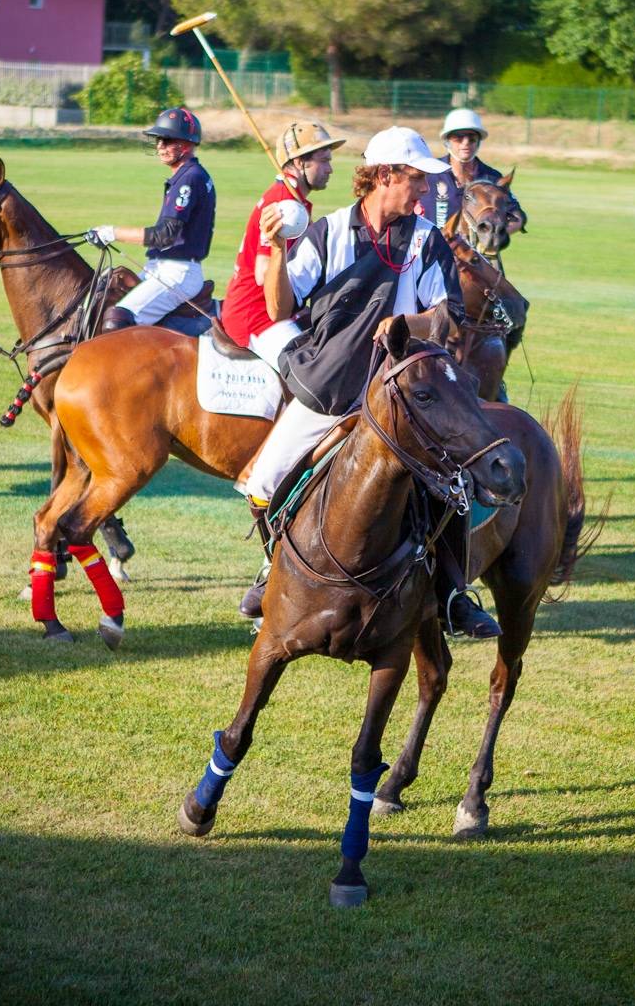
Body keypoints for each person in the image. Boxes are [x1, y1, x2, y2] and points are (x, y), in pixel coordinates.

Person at [234, 126, 501, 639]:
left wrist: (411, 326)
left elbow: (447, 317)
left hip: (399, 394)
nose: (424, 190)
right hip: (329, 385)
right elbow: (280, 307)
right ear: (383, 176)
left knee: (451, 486)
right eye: (415, 181)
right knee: (264, 484)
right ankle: (276, 567)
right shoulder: (329, 232)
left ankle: (452, 595)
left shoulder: (425, 239)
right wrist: (275, 250)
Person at [218, 121, 344, 363]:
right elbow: (262, 273)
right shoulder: (285, 205)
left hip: (270, 312)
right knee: (313, 371)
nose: (330, 169)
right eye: (324, 160)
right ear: (299, 162)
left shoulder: (294, 200)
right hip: (256, 316)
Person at [86, 107, 215, 330]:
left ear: (185, 144)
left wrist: (111, 233)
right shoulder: (187, 175)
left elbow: (164, 235)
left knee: (118, 320)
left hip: (178, 272)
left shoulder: (189, 179)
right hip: (162, 267)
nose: (159, 146)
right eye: (158, 140)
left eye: (166, 140)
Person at [418, 107, 522, 231]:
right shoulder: (429, 172)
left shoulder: (492, 177)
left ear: (478, 142)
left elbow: (517, 216)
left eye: (472, 138)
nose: (466, 142)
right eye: (458, 137)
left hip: (476, 250)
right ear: (447, 141)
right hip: (433, 249)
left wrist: (494, 237)